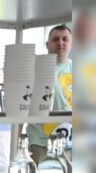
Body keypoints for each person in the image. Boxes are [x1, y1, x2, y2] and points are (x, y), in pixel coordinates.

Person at [27, 25, 73, 164]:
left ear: (72, 43)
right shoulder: (36, 68)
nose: (60, 43)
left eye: (65, 39)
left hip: (69, 145)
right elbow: (22, 105)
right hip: (41, 144)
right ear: (47, 44)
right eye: (55, 39)